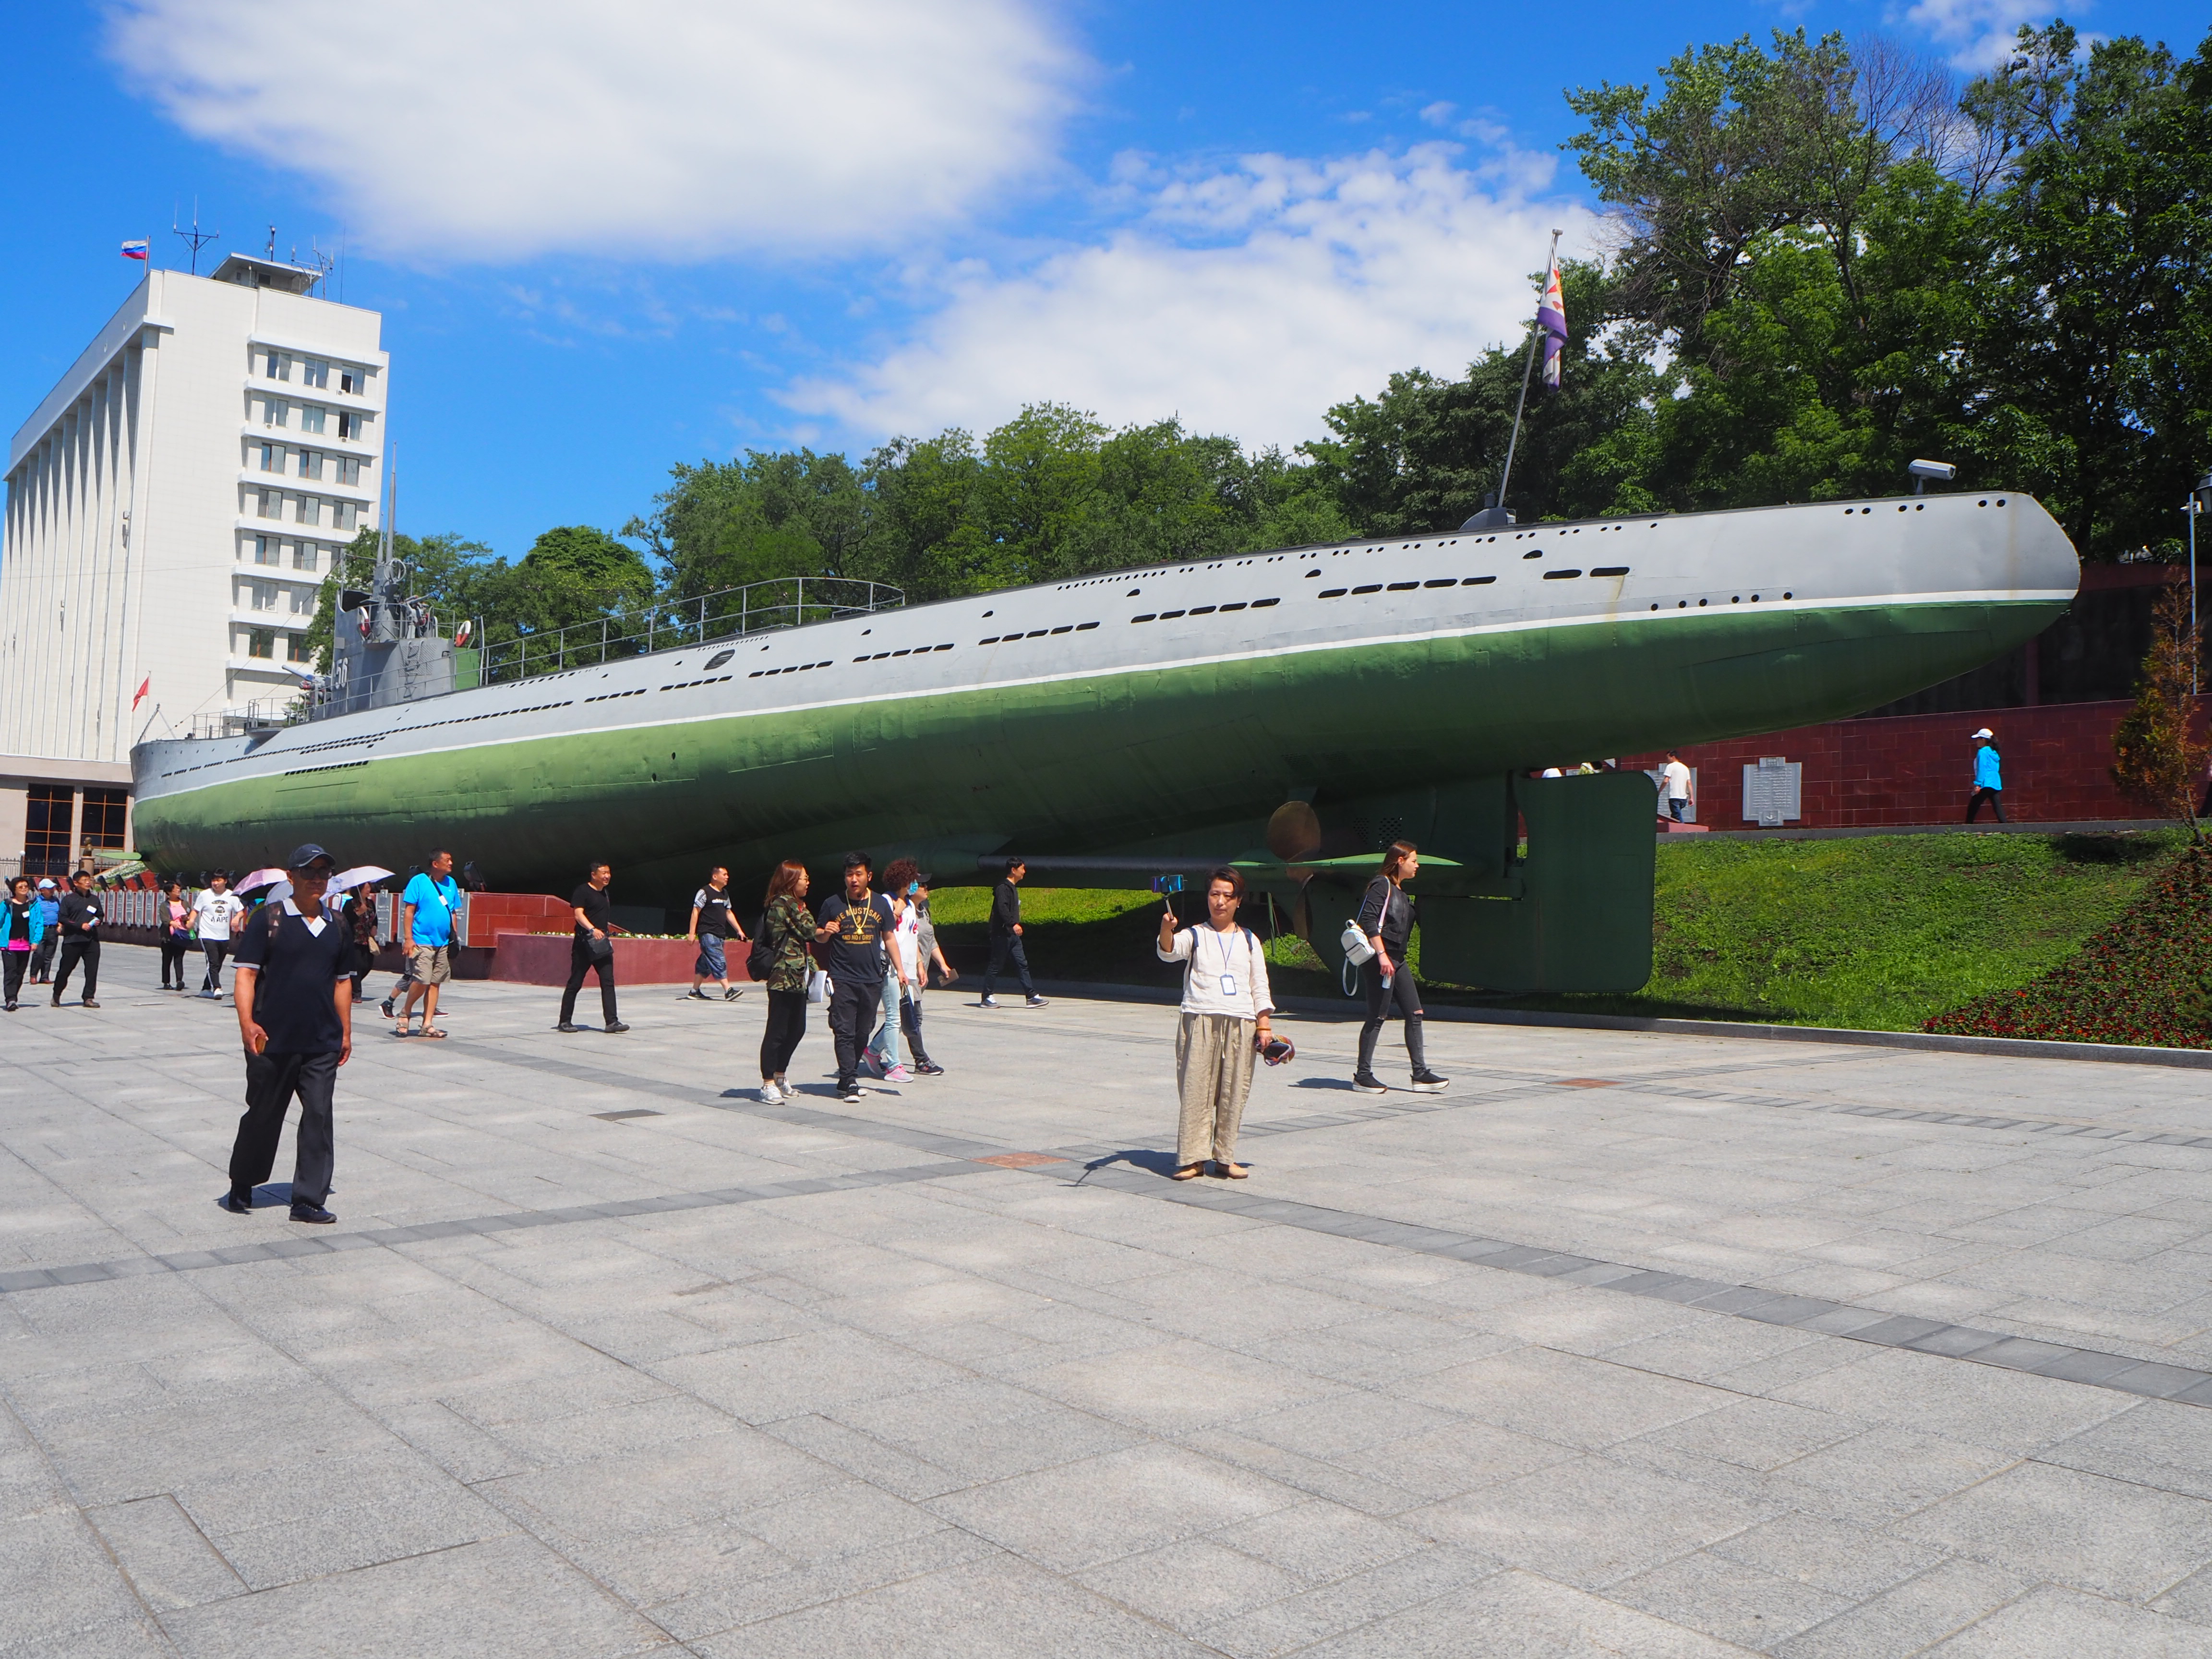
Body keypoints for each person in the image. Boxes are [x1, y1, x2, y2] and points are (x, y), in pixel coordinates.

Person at [218, 843, 354, 1225]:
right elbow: (245, 973)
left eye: (324, 872)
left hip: (321, 1042)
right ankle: (243, 1181)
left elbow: (343, 983)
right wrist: (247, 1023)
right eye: (309, 872)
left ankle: (308, 1199)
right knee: (263, 1114)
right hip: (272, 1039)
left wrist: (345, 1031)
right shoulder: (269, 919)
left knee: (318, 1115)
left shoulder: (338, 925)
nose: (317, 879)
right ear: (291, 877)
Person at [1156, 867, 1276, 1180]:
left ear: (1238, 901)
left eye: (1227, 896)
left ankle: (1225, 1157)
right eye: (1214, 894)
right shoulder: (1195, 935)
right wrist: (1167, 929)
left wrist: (1264, 1026)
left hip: (1241, 1022)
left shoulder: (1250, 940)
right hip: (1199, 1017)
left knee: (1234, 1091)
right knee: (1196, 1090)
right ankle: (1194, 1159)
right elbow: (1169, 952)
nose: (1220, 902)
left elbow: (1259, 985)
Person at [1351, 841, 1448, 1095]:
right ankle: (1362, 1075)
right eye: (1414, 861)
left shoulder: (1402, 893)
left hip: (1398, 959)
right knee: (1378, 1016)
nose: (1418, 866)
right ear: (1400, 861)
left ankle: (1420, 1073)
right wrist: (1382, 956)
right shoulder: (1381, 884)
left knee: (1415, 1013)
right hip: (1380, 959)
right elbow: (1369, 920)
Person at [815, 852, 896, 1103]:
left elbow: (889, 938)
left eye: (858, 874)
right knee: (844, 1030)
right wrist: (825, 932)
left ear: (868, 876)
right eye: (849, 875)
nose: (853, 879)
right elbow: (817, 935)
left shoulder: (881, 904)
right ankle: (850, 1080)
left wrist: (900, 970)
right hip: (842, 978)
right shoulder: (832, 903)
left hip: (872, 978)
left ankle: (845, 1077)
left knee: (864, 1030)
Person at [756, 860, 815, 1102]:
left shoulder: (797, 905)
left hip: (798, 977)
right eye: (804, 878)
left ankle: (781, 1075)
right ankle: (767, 1082)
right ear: (791, 881)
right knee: (777, 1031)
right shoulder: (783, 904)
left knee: (797, 1029)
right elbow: (810, 930)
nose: (808, 882)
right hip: (782, 976)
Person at [396, 850, 460, 1038]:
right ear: (435, 864)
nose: (451, 863)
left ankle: (427, 1024)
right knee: (422, 979)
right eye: (447, 860)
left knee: (435, 983)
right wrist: (408, 938)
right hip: (422, 939)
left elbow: (452, 912)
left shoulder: (452, 883)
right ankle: (405, 1012)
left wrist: (454, 936)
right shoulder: (418, 882)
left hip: (443, 941)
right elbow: (409, 911)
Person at [866, 859, 920, 1081]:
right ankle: (894, 1066)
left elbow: (912, 937)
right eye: (912, 879)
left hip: (906, 969)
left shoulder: (911, 905)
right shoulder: (885, 902)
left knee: (904, 1017)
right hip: (889, 967)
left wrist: (918, 965)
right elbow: (881, 932)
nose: (915, 884)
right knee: (894, 1017)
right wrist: (896, 912)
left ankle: (872, 1051)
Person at [558, 861, 626, 1033]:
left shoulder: (605, 893)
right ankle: (565, 1021)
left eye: (609, 872)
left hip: (601, 943)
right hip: (584, 943)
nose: (607, 876)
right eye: (603, 873)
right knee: (576, 982)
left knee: (608, 981)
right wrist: (592, 929)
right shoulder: (583, 891)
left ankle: (612, 1022)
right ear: (594, 875)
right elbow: (578, 914)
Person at [898, 874, 950, 1076]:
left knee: (902, 1017)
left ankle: (873, 1050)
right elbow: (908, 941)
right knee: (913, 1016)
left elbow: (932, 941)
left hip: (921, 974)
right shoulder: (905, 910)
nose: (927, 888)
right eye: (922, 885)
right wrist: (919, 965)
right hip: (908, 971)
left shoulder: (924, 911)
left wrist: (943, 965)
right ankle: (921, 1060)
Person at [981, 856, 1046, 1008]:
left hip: (1013, 936)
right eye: (1022, 869)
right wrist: (1013, 924)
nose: (1024, 872)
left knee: (1022, 964)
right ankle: (986, 996)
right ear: (1013, 870)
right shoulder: (1002, 888)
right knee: (996, 965)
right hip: (1001, 934)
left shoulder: (1012, 888)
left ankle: (1031, 996)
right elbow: (1002, 908)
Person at [686, 866, 747, 1002]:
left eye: (728, 875)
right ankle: (728, 991)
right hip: (708, 933)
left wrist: (739, 930)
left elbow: (729, 912)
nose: (727, 877)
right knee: (718, 960)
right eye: (724, 874)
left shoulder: (724, 893)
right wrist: (692, 933)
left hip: (720, 934)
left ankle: (694, 992)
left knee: (705, 964)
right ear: (715, 877)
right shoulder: (705, 892)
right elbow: (695, 911)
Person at [51, 869, 104, 1008]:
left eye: (89, 879)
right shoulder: (69, 900)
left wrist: (97, 921)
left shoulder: (94, 899)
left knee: (92, 971)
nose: (88, 882)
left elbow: (100, 915)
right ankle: (57, 994)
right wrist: (80, 925)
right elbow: (63, 918)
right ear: (76, 883)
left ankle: (88, 997)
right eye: (84, 879)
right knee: (66, 969)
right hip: (73, 940)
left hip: (92, 941)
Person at [191, 872, 245, 998]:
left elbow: (241, 911)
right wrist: (192, 920)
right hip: (207, 934)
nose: (216, 883)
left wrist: (237, 918)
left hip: (224, 935)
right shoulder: (205, 895)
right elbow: (196, 910)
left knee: (218, 963)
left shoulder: (232, 896)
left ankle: (205, 989)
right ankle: (217, 988)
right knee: (213, 962)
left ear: (225, 881)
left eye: (219, 880)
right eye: (214, 880)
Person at [1, 875, 41, 1011]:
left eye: (26, 886)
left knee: (20, 973)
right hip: (9, 945)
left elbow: (39, 923)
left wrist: (36, 941)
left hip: (25, 944)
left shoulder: (33, 905)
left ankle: (14, 997)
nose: (24, 889)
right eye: (20, 887)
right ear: (14, 890)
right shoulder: (7, 904)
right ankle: (10, 999)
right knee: (10, 972)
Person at [341, 887, 379, 999]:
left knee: (367, 965)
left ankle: (353, 985)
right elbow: (345, 920)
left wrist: (375, 927)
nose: (369, 890)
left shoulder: (370, 903)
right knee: (357, 966)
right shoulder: (350, 904)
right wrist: (359, 913)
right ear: (359, 890)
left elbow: (375, 918)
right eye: (366, 888)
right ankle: (356, 994)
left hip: (367, 939)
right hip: (355, 939)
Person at [158, 879, 192, 990]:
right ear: (169, 892)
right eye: (176, 889)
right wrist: (171, 922)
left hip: (182, 935)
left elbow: (189, 914)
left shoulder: (184, 903)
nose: (178, 891)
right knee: (167, 959)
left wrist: (187, 919)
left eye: (179, 889)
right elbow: (164, 919)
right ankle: (166, 982)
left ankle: (179, 981)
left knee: (179, 959)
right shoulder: (165, 905)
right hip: (168, 936)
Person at [1967, 727, 2006, 823]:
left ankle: (1967, 827)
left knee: (1973, 806)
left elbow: (1982, 768)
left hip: (1986, 783)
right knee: (1997, 807)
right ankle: (2006, 827)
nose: (1977, 742)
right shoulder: (1994, 752)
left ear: (1983, 740)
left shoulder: (1983, 752)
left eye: (1978, 739)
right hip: (1995, 783)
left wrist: (1978, 784)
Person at [30, 878, 60, 983]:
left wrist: (60, 925)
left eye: (53, 888)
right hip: (40, 931)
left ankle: (45, 977)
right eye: (49, 888)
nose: (52, 890)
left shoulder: (56, 900)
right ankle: (33, 975)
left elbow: (60, 914)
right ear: (42, 890)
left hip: (53, 930)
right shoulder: (35, 901)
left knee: (49, 955)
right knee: (39, 954)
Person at [1660, 751, 1694, 823]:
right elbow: (1689, 783)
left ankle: (1683, 830)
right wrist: (1691, 798)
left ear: (1673, 757)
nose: (1667, 760)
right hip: (1684, 798)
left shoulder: (1670, 767)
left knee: (1678, 816)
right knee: (1675, 816)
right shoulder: (1685, 768)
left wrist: (1659, 792)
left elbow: (1666, 781)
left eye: (1668, 758)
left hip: (1674, 797)